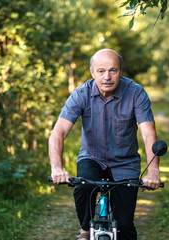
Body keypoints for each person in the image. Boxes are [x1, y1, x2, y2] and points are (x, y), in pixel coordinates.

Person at [48, 49, 160, 240]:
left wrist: (153, 171)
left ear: (120, 72)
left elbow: (148, 132)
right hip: (92, 157)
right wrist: (57, 168)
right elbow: (58, 132)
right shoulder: (81, 94)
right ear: (92, 73)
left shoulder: (136, 93)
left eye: (113, 70)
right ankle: (84, 230)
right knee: (83, 187)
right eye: (101, 71)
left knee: (125, 227)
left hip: (125, 162)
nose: (107, 77)